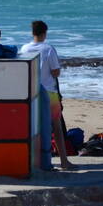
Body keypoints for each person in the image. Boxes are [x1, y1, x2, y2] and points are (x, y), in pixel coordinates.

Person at [19, 20, 74, 171]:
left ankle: (35, 160)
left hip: (31, 92)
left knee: (33, 127)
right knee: (56, 127)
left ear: (32, 33)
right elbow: (55, 71)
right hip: (49, 91)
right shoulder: (48, 49)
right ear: (44, 33)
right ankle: (64, 161)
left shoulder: (24, 48)